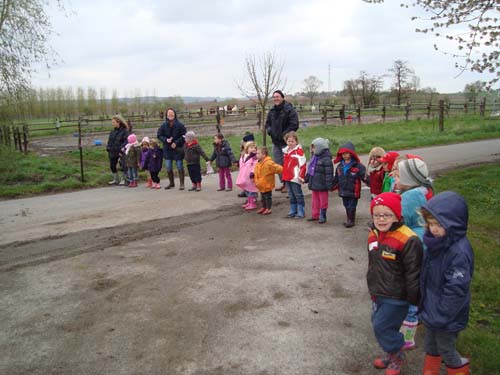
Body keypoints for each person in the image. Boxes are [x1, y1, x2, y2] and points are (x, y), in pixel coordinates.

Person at [367, 192, 423, 375]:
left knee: (382, 326)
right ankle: (391, 352)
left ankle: (397, 354)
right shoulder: (373, 234)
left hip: (397, 295)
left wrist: (414, 300)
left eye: (387, 214)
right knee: (378, 323)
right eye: (377, 215)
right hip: (378, 291)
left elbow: (414, 272)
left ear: (397, 215)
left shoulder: (408, 239)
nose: (381, 219)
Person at [419, 191, 473, 375]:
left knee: (446, 348)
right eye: (431, 224)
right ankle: (430, 370)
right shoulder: (437, 243)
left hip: (447, 315)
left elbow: (456, 290)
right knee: (430, 344)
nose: (433, 229)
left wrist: (442, 315)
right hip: (433, 307)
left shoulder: (458, 253)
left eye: (439, 225)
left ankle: (458, 369)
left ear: (454, 224)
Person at [393, 157, 434, 349]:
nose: (394, 175)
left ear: (409, 178)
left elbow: (398, 220)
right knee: (417, 285)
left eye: (398, 174)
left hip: (412, 247)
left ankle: (407, 335)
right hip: (424, 244)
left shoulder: (409, 197)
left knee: (409, 290)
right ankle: (416, 316)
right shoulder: (425, 191)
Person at [265, 90, 299, 193]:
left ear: (282, 98)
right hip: (276, 142)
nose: (276, 98)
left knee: (288, 164)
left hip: (286, 142)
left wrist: (284, 134)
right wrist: (270, 131)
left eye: (278, 96)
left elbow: (294, 124)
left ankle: (290, 186)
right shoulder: (272, 111)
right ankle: (284, 183)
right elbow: (267, 124)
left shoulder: (289, 110)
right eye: (274, 97)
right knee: (278, 164)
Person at [332, 141, 369, 228]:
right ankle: (349, 218)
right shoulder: (340, 166)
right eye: (343, 154)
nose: (344, 155)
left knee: (352, 206)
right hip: (343, 190)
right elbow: (336, 178)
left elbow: (364, 176)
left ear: (351, 153)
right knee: (346, 205)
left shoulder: (358, 166)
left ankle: (351, 221)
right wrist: (331, 186)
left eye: (346, 153)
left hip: (353, 191)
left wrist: (371, 183)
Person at [304, 138, 334, 224]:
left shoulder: (326, 159)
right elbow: (311, 170)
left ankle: (323, 215)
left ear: (319, 147)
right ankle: (315, 214)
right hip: (314, 183)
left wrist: (329, 184)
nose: (312, 150)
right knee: (315, 200)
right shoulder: (314, 157)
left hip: (322, 184)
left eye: (314, 148)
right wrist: (307, 178)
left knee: (323, 201)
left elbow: (329, 173)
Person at [157, 108, 186, 190]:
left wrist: (176, 143)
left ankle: (182, 184)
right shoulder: (163, 125)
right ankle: (171, 183)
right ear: (166, 115)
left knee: (179, 166)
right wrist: (166, 140)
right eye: (169, 113)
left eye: (172, 113)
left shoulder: (180, 125)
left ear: (174, 114)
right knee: (168, 166)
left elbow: (184, 136)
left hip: (178, 149)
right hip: (167, 149)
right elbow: (159, 135)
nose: (170, 114)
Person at [282, 131, 307, 218]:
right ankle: (293, 209)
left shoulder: (299, 152)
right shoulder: (286, 152)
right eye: (289, 141)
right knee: (291, 194)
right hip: (287, 177)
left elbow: (303, 165)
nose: (290, 143)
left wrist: (301, 176)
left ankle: (301, 210)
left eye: (292, 141)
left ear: (296, 141)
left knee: (298, 194)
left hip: (295, 177)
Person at [253, 146, 283, 215]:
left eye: (258, 153)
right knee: (263, 197)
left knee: (267, 197)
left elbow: (277, 168)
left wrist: (284, 170)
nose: (256, 155)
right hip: (261, 184)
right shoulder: (258, 163)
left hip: (267, 184)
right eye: (256, 153)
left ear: (264, 155)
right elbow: (256, 172)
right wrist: (255, 179)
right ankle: (264, 207)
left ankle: (268, 208)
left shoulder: (269, 163)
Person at [106, 115, 129, 185]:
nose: (112, 124)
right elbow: (109, 140)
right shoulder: (112, 132)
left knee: (123, 166)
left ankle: (123, 179)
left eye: (114, 122)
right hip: (112, 151)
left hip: (121, 151)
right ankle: (116, 179)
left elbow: (126, 141)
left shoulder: (125, 131)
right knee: (112, 166)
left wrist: (122, 149)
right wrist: (108, 148)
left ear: (118, 122)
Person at [236, 141, 258, 210]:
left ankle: (252, 204)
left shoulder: (255, 157)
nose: (253, 149)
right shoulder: (245, 156)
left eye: (254, 148)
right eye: (251, 148)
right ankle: (249, 202)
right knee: (247, 190)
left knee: (251, 190)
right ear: (247, 149)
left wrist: (252, 173)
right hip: (245, 176)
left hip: (251, 177)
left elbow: (255, 166)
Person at [237, 132, 255, 198]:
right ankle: (245, 191)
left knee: (250, 183)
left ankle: (252, 197)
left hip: (250, 171)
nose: (242, 143)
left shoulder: (252, 151)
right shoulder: (243, 149)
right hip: (244, 169)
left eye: (244, 142)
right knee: (244, 180)